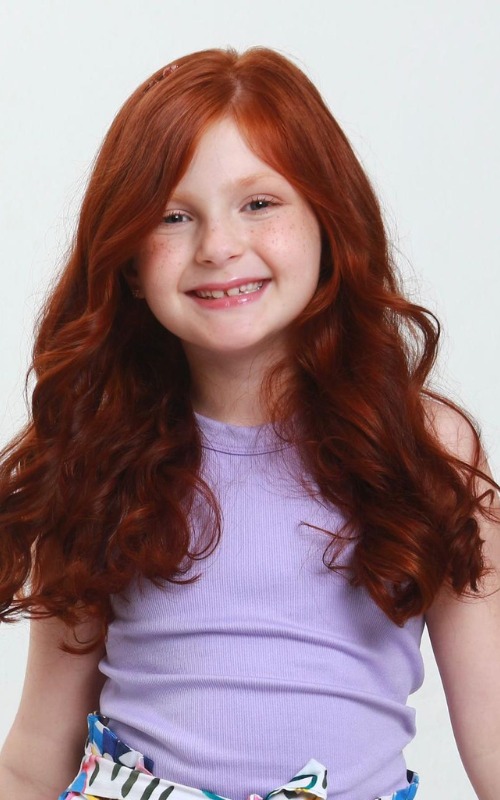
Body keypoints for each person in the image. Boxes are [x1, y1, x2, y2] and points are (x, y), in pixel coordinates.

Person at [0, 46, 498, 800]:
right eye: (173, 216)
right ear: (128, 262)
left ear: (330, 220)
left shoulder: (425, 446)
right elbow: (37, 751)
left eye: (259, 203)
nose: (219, 247)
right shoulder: (101, 455)